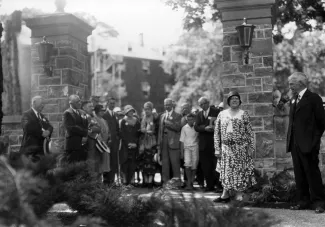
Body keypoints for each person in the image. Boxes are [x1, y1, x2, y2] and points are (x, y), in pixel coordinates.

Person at [286, 72, 325, 213]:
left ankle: (319, 202)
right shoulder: (293, 99)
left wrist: (314, 141)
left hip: (309, 144)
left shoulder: (314, 98)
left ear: (301, 83)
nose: (290, 87)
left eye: (292, 84)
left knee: (312, 173)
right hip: (295, 144)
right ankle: (303, 201)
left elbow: (321, 122)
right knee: (299, 174)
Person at [213, 91, 256, 203]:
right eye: (232, 99)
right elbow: (216, 133)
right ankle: (225, 195)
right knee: (226, 171)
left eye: (237, 98)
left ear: (240, 101)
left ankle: (239, 195)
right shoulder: (222, 114)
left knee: (239, 170)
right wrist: (217, 148)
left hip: (240, 148)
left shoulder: (243, 114)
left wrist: (251, 147)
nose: (235, 100)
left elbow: (250, 132)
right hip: (226, 148)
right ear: (228, 102)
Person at [195, 97, 221, 192]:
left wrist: (214, 128)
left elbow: (221, 124)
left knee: (216, 165)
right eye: (200, 104)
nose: (202, 106)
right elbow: (196, 127)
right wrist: (205, 128)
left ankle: (219, 186)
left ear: (208, 103)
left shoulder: (216, 111)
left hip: (214, 143)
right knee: (206, 167)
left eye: (203, 103)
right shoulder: (199, 114)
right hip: (203, 145)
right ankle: (209, 186)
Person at [157, 98, 182, 185]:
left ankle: (177, 183)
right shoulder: (162, 116)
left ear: (172, 105)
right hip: (163, 141)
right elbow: (159, 131)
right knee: (165, 163)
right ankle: (166, 183)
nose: (167, 106)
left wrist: (168, 123)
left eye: (168, 104)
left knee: (175, 163)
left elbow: (178, 127)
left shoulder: (178, 116)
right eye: (165, 104)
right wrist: (159, 143)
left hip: (174, 142)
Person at [20, 96, 53, 161]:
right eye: (41, 103)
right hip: (30, 150)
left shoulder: (42, 116)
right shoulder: (26, 115)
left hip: (41, 151)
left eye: (43, 104)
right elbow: (27, 128)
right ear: (34, 103)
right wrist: (42, 133)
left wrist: (48, 131)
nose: (42, 105)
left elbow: (50, 126)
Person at [138, 102, 159, 188]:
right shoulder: (143, 118)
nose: (147, 111)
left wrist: (150, 131)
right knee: (144, 162)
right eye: (145, 109)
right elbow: (142, 128)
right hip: (144, 142)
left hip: (153, 142)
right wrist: (143, 130)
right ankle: (145, 181)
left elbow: (157, 129)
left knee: (152, 162)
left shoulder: (155, 117)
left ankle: (150, 181)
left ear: (151, 109)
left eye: (148, 109)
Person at [63, 95, 88, 163]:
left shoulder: (82, 112)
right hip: (72, 145)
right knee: (72, 168)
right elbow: (71, 128)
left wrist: (85, 136)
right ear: (71, 103)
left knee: (82, 167)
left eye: (80, 101)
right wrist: (85, 132)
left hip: (82, 145)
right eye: (77, 102)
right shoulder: (67, 113)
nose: (80, 103)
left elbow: (86, 124)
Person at [119, 105, 141, 185]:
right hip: (125, 146)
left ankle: (132, 180)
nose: (131, 112)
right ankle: (124, 180)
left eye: (132, 111)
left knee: (133, 163)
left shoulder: (137, 121)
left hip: (135, 146)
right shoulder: (123, 121)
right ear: (126, 112)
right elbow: (122, 134)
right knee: (124, 162)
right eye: (129, 111)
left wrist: (135, 143)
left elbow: (139, 134)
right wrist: (128, 143)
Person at [103, 97, 119, 184]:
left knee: (113, 162)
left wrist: (117, 138)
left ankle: (112, 181)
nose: (112, 105)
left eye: (113, 103)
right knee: (107, 161)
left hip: (114, 143)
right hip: (107, 142)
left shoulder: (115, 115)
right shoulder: (105, 115)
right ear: (107, 103)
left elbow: (117, 128)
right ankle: (107, 181)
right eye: (111, 103)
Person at [180, 113, 199, 190]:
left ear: (194, 119)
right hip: (187, 148)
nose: (190, 121)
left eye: (191, 119)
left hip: (195, 147)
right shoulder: (184, 128)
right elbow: (181, 140)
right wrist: (181, 152)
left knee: (194, 165)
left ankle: (191, 182)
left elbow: (199, 137)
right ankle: (188, 183)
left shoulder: (196, 127)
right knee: (187, 164)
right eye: (188, 120)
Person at [94, 104, 111, 181]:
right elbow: (96, 133)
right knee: (98, 166)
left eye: (103, 110)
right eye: (101, 110)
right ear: (97, 111)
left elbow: (108, 132)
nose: (102, 112)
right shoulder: (94, 119)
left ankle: (101, 183)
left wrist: (109, 138)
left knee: (104, 166)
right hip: (98, 145)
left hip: (105, 144)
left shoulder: (104, 120)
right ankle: (97, 183)